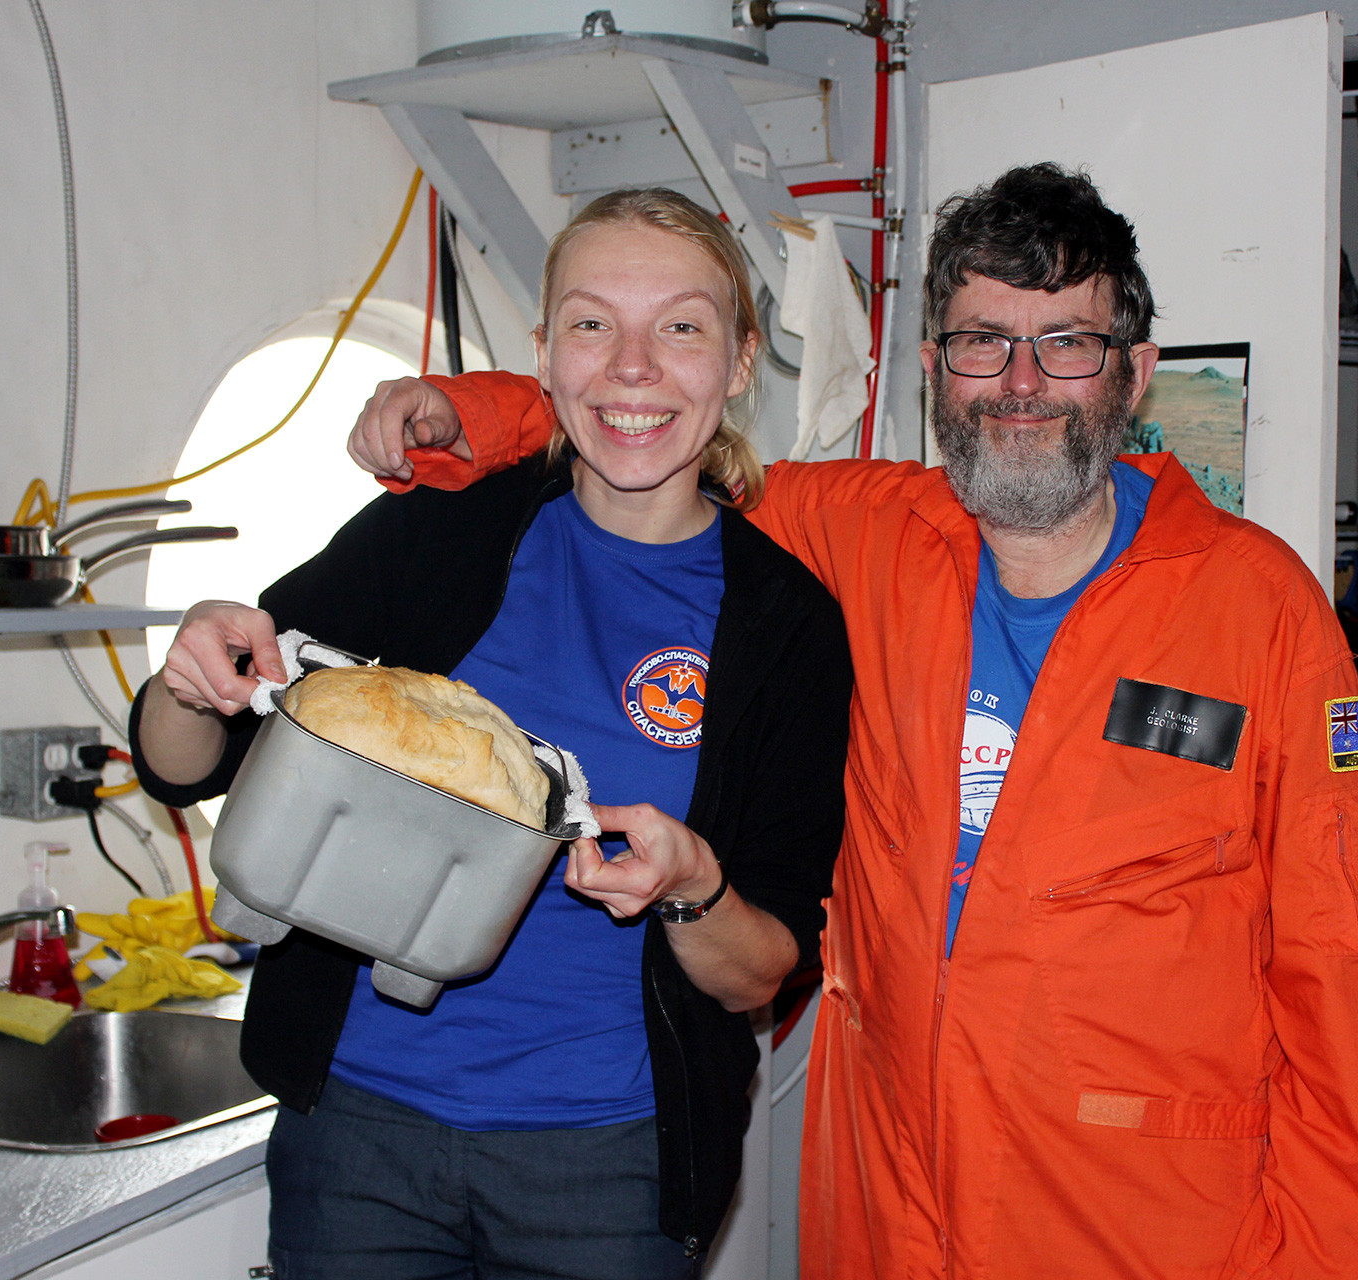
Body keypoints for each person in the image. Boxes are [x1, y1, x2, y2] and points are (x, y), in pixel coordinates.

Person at [347, 164, 1358, 1278]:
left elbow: (1336, 968)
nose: (1021, 382)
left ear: (1135, 374)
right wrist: (476, 413)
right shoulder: (863, 536)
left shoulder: (1261, 605)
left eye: (1069, 343)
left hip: (1147, 1227)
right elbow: (650, 429)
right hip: (892, 1211)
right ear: (934, 372)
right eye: (982, 341)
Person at [132, 188, 852, 1279]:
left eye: (683, 326)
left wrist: (690, 883)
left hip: (609, 1162)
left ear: (741, 362)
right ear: (548, 352)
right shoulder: (441, 530)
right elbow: (196, 759)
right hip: (359, 1135)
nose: (632, 366)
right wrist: (189, 683)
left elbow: (764, 968)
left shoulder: (784, 623)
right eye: (592, 322)